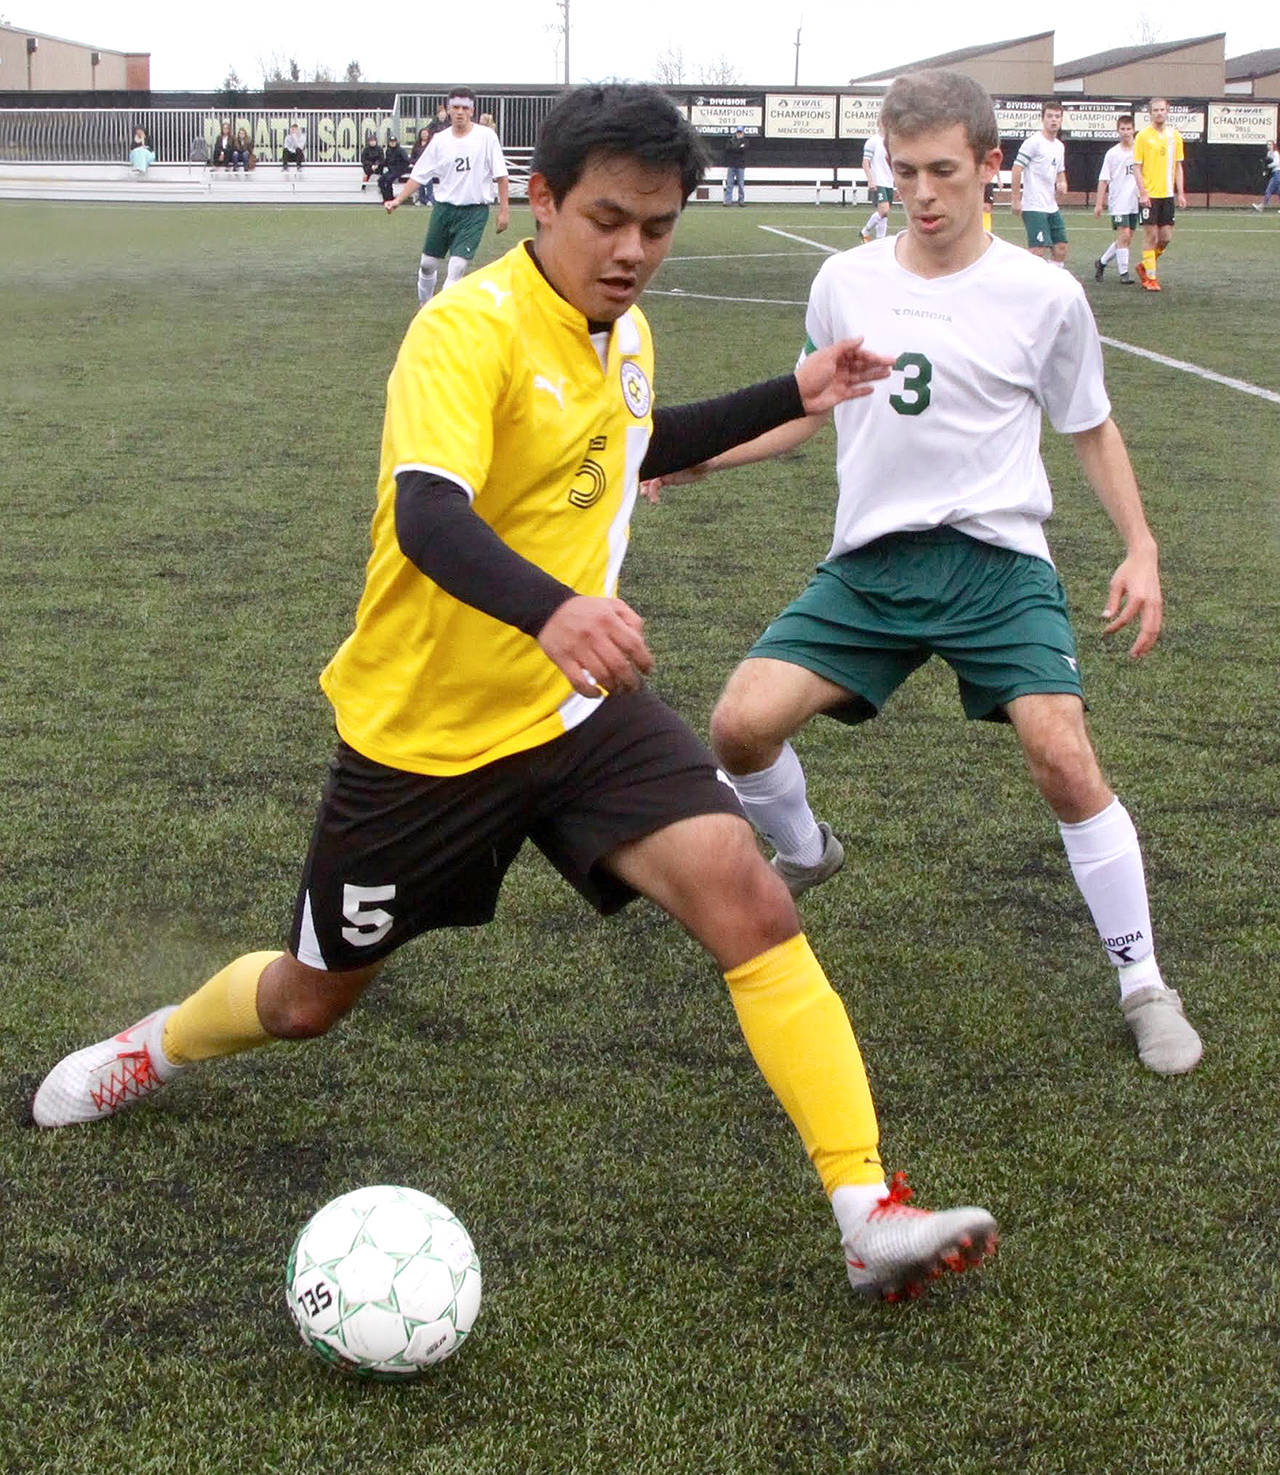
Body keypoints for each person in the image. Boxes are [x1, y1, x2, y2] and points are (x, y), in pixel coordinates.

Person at [32, 82, 998, 1306]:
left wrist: (789, 393)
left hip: (578, 713)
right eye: (607, 219)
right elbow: (429, 513)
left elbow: (632, 442)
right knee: (306, 998)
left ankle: (866, 1207)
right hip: (424, 744)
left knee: (748, 899)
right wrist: (551, 607)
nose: (633, 249)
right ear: (535, 199)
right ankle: (151, 1046)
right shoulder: (464, 331)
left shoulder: (624, 333)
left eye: (658, 224)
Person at [650, 69, 1202, 1080]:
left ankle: (1141, 980)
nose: (922, 193)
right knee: (737, 722)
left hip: (995, 561)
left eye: (943, 170)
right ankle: (807, 849)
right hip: (871, 563)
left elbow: (1087, 426)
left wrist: (1140, 545)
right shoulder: (845, 281)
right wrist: (695, 457)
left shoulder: (1042, 295)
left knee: (1059, 751)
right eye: (903, 171)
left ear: (989, 165)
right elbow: (806, 407)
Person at [386, 86, 511, 304]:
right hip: (444, 210)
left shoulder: (486, 137)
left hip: (474, 212)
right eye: (455, 107)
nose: (460, 112)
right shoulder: (440, 140)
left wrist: (504, 212)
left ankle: (438, 321)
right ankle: (424, 309)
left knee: (456, 269)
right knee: (427, 265)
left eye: (465, 107)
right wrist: (398, 199)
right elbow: (420, 174)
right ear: (448, 110)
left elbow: (501, 176)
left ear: (472, 111)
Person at [1132, 98, 1185, 292]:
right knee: (1151, 236)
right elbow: (1137, 167)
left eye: (1162, 109)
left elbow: (1178, 166)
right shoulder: (1142, 137)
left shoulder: (1175, 136)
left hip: (1168, 195)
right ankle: (1151, 279)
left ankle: (1145, 265)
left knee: (1165, 237)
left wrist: (1181, 193)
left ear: (1167, 111)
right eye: (1155, 110)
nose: (1159, 113)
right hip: (1150, 195)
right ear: (1150, 113)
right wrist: (1143, 193)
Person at [1011, 100, 1068, 265]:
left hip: (1051, 205)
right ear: (1042, 118)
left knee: (1061, 247)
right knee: (1037, 251)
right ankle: (1032, 286)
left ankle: (1054, 285)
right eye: (1049, 116)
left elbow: (1060, 171)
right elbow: (1017, 168)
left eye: (1057, 116)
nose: (1054, 120)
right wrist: (1015, 199)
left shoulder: (1059, 146)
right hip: (1033, 205)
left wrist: (1062, 182)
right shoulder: (1033, 142)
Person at [1094, 115, 1139, 285]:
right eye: (1123, 129)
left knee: (1126, 238)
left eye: (1129, 129)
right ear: (1118, 130)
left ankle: (1102, 262)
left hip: (1135, 201)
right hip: (1118, 200)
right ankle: (1124, 273)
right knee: (1124, 235)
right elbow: (1103, 179)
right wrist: (1099, 203)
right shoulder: (1112, 153)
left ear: (1133, 130)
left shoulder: (1139, 150)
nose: (1126, 132)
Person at [860, 128, 894, 242]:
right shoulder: (873, 141)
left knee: (884, 214)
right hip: (878, 181)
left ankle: (880, 241)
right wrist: (870, 180)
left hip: (889, 181)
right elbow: (865, 162)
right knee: (884, 210)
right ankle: (865, 231)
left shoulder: (892, 141)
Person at [378, 134, 412, 203]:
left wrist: (401, 168)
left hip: (399, 170)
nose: (392, 143)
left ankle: (390, 198)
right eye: (391, 141)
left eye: (394, 141)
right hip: (391, 170)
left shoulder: (400, 150)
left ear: (396, 142)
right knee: (380, 181)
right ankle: (386, 198)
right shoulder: (388, 151)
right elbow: (387, 161)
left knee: (388, 180)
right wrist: (378, 164)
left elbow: (407, 161)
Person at [1251, 140, 1280, 211]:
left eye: (1270, 144)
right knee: (1279, 191)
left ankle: (1261, 206)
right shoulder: (1269, 153)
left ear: (1273, 145)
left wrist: (1268, 166)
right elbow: (1267, 163)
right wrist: (1266, 170)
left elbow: (1277, 163)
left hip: (1277, 172)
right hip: (1273, 173)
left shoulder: (1275, 153)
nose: (1269, 146)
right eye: (1268, 145)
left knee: (1269, 190)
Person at [408, 126, 433, 205]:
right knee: (419, 183)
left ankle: (430, 199)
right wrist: (415, 162)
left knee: (428, 182)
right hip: (418, 167)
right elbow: (412, 157)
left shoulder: (431, 144)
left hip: (428, 167)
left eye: (426, 134)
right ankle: (422, 199)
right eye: (423, 134)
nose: (424, 135)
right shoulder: (417, 145)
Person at [723, 127, 747, 206]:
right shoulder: (731, 140)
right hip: (731, 164)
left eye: (740, 132)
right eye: (738, 132)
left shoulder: (745, 141)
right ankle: (728, 201)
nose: (739, 134)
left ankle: (741, 201)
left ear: (743, 133)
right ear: (736, 133)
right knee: (729, 183)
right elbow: (728, 149)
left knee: (741, 184)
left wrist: (736, 148)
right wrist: (738, 147)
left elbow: (743, 150)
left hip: (741, 165)